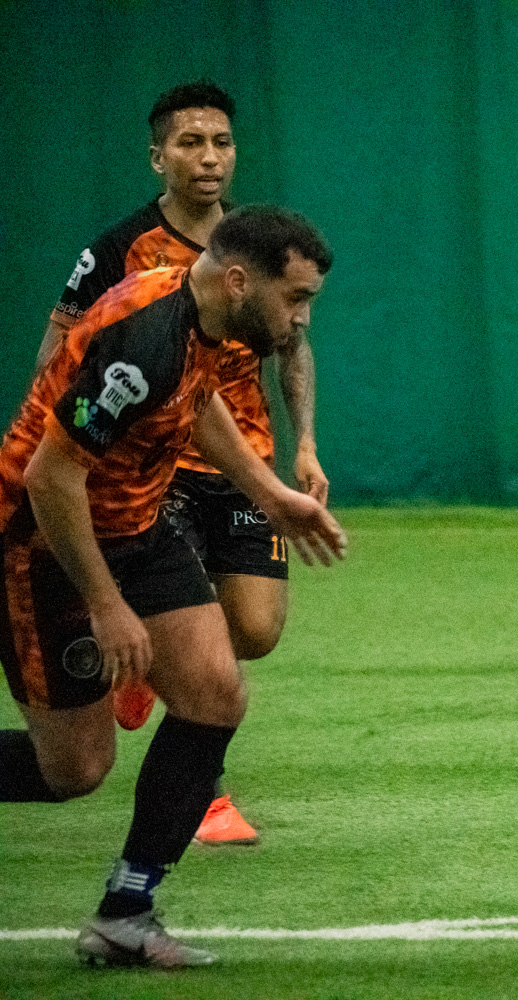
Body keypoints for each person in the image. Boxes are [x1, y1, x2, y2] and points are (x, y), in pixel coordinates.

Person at [0, 205, 345, 968]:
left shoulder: (200, 315)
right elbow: (49, 478)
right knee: (75, 771)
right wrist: (106, 603)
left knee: (215, 695)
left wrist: (269, 495)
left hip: (135, 526)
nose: (300, 320)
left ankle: (126, 914)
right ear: (239, 280)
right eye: (294, 299)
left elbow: (200, 400)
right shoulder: (145, 340)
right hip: (43, 541)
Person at [39, 79, 327, 844]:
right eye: (191, 142)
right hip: (153, 472)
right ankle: (203, 797)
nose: (209, 157)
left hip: (240, 460)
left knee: (256, 629)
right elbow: (58, 357)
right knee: (193, 648)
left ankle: (152, 667)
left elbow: (287, 351)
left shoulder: (258, 246)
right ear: (157, 156)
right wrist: (75, 436)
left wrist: (300, 448)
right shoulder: (121, 253)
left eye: (222, 142)